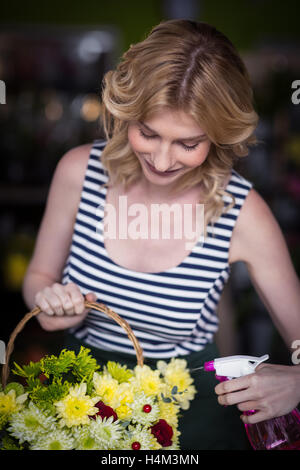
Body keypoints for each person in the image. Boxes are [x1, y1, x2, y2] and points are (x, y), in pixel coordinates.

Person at [22, 19, 300, 450]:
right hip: (80, 409)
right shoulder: (79, 172)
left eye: (187, 143)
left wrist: (299, 381)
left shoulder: (243, 213)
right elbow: (38, 277)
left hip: (191, 421)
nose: (162, 160)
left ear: (219, 136)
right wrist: (52, 305)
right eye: (148, 133)